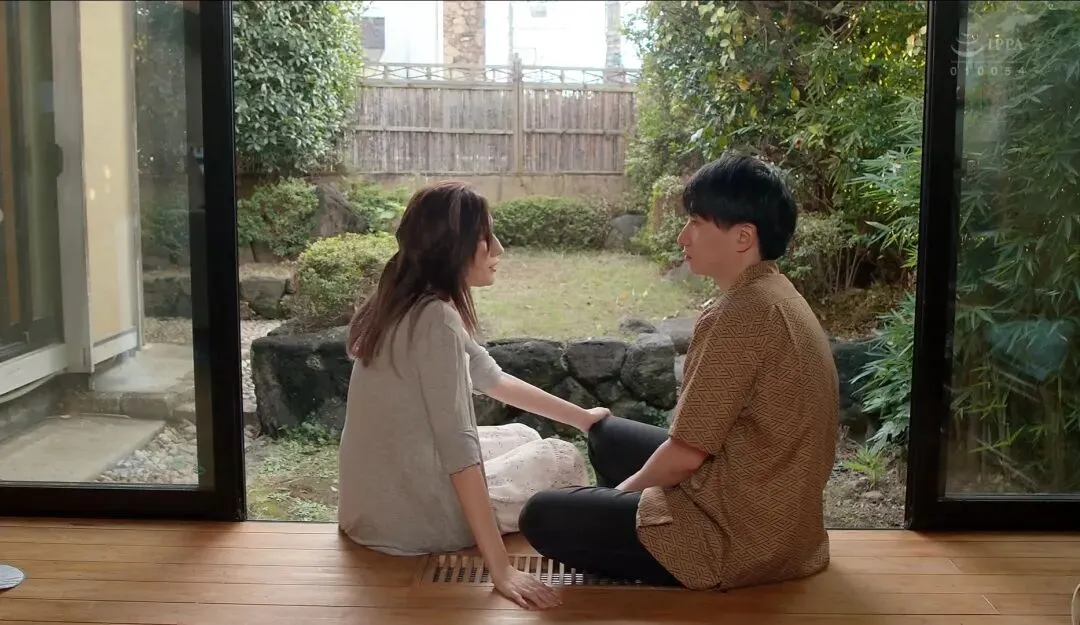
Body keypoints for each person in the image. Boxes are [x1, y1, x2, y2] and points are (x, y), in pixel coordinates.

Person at [518, 152, 840, 592]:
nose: (682, 236)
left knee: (541, 516)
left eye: (696, 223)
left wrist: (617, 498)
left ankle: (648, 543)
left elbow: (686, 457)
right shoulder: (775, 292)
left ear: (743, 237)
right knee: (607, 435)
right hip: (773, 511)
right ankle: (622, 532)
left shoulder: (742, 315)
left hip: (736, 536)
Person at [337, 180, 608, 610]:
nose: (498, 248)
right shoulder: (436, 322)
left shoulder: (402, 303)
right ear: (456, 247)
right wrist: (500, 568)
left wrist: (581, 417)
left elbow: (491, 378)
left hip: (369, 506)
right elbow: (458, 448)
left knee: (524, 435)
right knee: (563, 458)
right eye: (487, 237)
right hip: (411, 522)